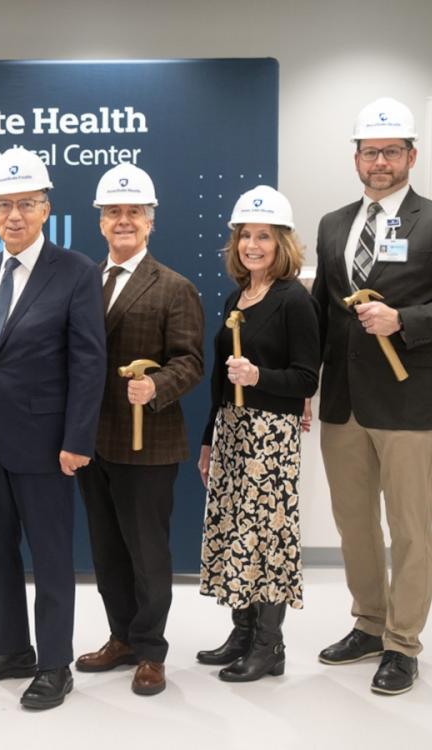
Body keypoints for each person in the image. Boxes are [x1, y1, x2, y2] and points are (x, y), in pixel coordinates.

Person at [0, 147, 106, 710]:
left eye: (24, 204)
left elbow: (90, 364)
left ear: (46, 208)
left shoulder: (78, 272)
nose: (13, 216)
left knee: (51, 557)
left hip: (47, 445)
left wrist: (77, 441)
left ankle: (54, 663)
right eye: (2, 205)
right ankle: (9, 650)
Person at [313, 97, 432, 696]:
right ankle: (370, 622)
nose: (379, 161)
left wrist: (405, 320)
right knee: (354, 523)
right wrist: (301, 385)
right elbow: (320, 316)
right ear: (356, 158)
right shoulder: (334, 224)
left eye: (390, 151)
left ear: (411, 156)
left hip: (410, 405)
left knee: (412, 526)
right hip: (343, 402)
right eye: (370, 152)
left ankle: (404, 643)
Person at [73, 164, 203, 696]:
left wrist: (156, 388)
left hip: (148, 442)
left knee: (148, 551)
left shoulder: (175, 286)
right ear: (101, 222)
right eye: (113, 212)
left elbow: (191, 361)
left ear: (149, 221)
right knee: (106, 549)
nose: (122, 220)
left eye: (132, 212)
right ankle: (122, 636)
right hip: (93, 440)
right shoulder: (83, 282)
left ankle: (151, 651)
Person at [196, 185, 319, 682]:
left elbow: (307, 378)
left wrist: (259, 379)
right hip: (232, 430)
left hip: (271, 437)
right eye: (245, 235)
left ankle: (270, 646)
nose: (252, 245)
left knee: (266, 537)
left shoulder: (293, 301)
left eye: (263, 236)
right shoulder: (237, 295)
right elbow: (218, 377)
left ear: (281, 243)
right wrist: (209, 437)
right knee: (233, 532)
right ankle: (242, 632)